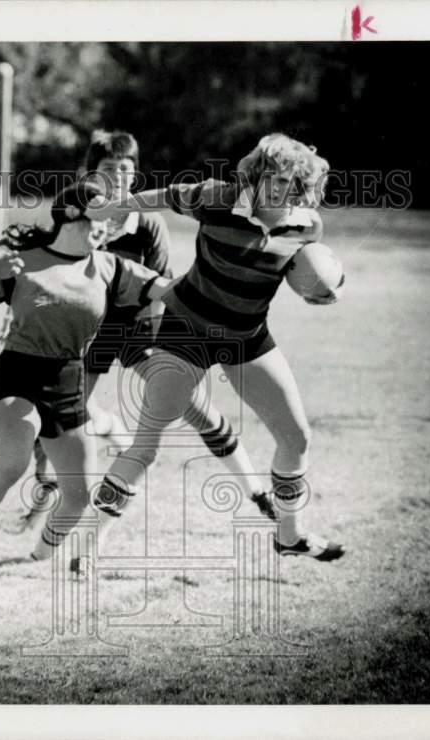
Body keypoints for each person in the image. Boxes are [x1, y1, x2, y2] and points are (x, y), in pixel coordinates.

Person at [0, 130, 275, 532]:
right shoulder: (69, 215)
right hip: (82, 335)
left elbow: (161, 287)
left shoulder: (147, 225)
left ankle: (254, 490)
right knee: (56, 422)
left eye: (127, 170)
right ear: (86, 174)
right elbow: (28, 270)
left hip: (133, 327)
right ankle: (43, 502)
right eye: (108, 169)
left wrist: (172, 346)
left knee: (191, 404)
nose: (119, 177)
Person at [84, 133, 345, 565]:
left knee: (296, 436)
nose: (277, 187)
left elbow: (308, 275)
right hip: (186, 329)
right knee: (146, 446)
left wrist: (323, 288)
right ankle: (86, 547)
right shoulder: (216, 198)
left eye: (289, 181)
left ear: (301, 185)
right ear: (255, 175)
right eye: (270, 177)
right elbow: (165, 196)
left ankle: (290, 535)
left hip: (246, 336)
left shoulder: (307, 227)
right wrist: (116, 207)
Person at [0, 181, 174, 577]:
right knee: (13, 463)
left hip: (68, 381)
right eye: (104, 211)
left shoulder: (111, 267)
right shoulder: (22, 262)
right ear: (75, 214)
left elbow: (168, 289)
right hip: (18, 375)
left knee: (78, 497)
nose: (113, 221)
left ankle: (38, 557)